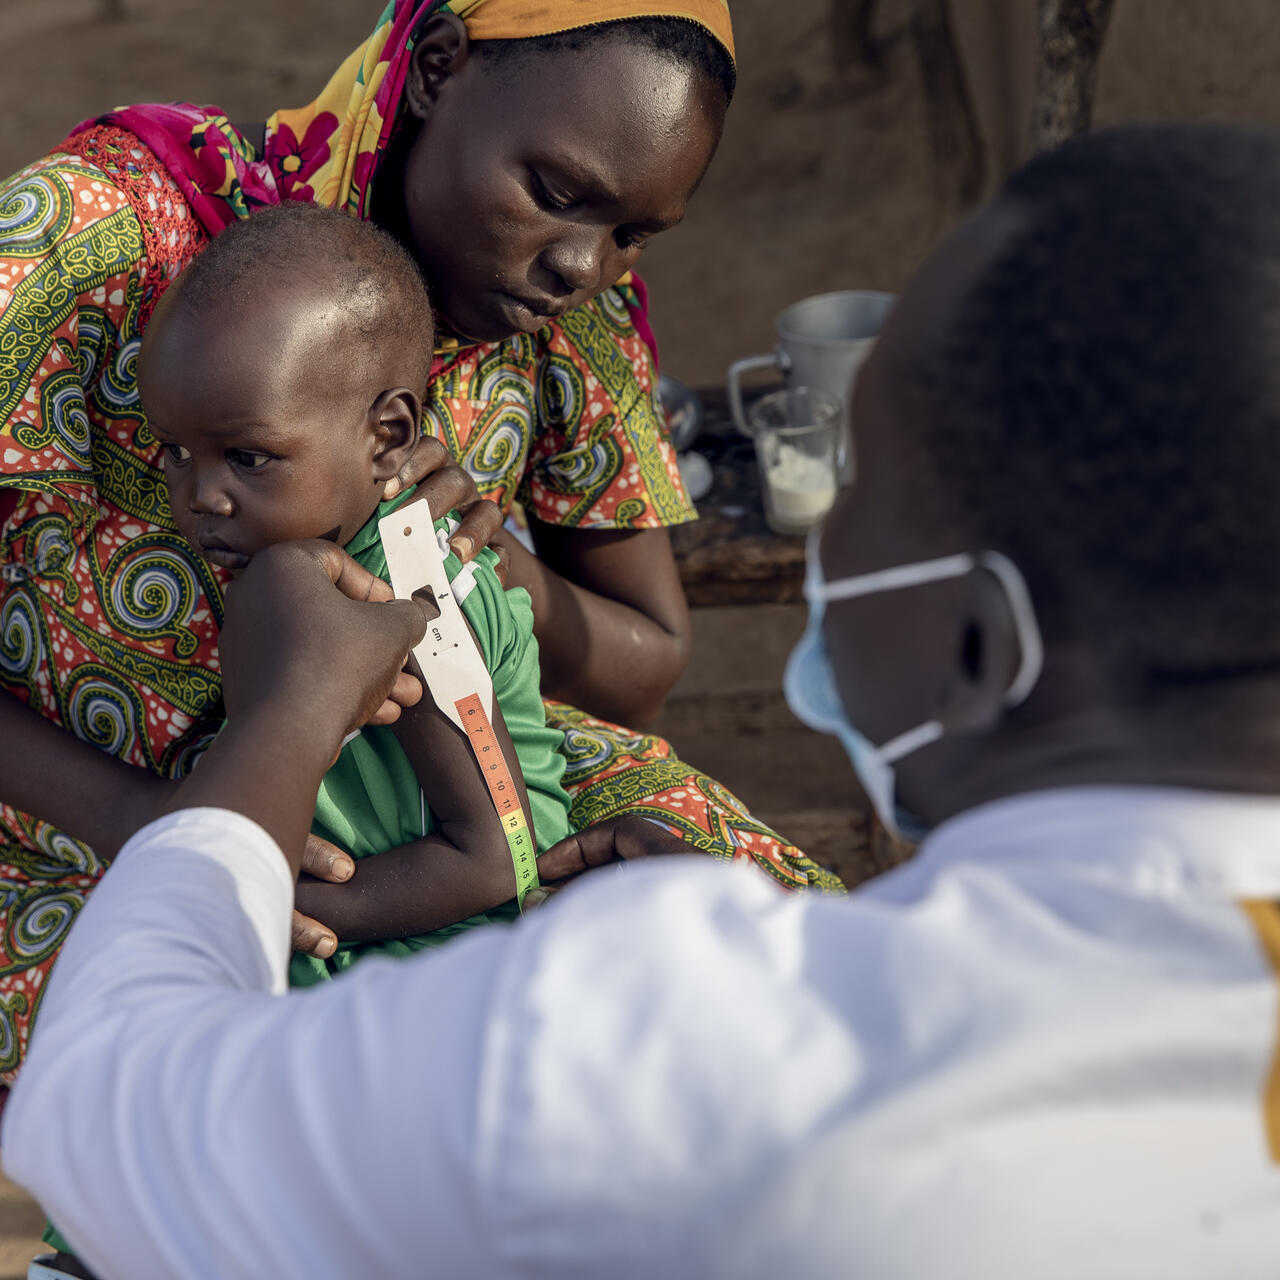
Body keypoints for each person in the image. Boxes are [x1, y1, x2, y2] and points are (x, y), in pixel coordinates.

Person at [13, 120, 1280, 1278]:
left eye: (867, 486)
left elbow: (112, 1107)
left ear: (974, 635)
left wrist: (282, 728)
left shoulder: (668, 1043)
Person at [0, 1, 837, 1091]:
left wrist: (481, 558)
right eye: (552, 191)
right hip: (71, 830)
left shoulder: (565, 325)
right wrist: (161, 828)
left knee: (795, 1000)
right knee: (270, 1105)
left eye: (633, 232)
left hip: (456, 812)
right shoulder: (103, 235)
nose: (579, 264)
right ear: (438, 68)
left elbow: (645, 665)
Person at [140, 201, 573, 976]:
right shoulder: (287, 567)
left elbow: (496, 861)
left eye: (248, 456)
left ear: (390, 439)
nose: (202, 496)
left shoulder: (413, 597)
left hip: (441, 944)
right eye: (175, 452)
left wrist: (255, 911)